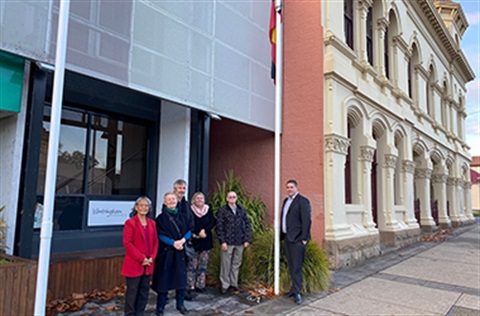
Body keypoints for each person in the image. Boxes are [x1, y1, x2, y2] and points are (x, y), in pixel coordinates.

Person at [152, 192, 191, 315]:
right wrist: (173, 243)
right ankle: (160, 307)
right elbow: (159, 234)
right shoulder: (160, 218)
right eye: (168, 199)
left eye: (173, 199)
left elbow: (189, 230)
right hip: (166, 253)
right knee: (164, 281)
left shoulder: (183, 216)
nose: (171, 201)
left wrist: (183, 240)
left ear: (177, 201)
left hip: (180, 252)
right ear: (164, 202)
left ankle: (180, 305)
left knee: (181, 281)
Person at [121, 196, 158, 316]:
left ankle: (140, 312)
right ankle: (130, 313)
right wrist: (141, 259)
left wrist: (152, 257)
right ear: (136, 208)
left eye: (146, 206)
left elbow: (155, 242)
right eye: (141, 205)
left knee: (144, 291)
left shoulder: (152, 223)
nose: (144, 208)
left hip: (148, 264)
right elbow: (127, 243)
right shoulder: (130, 223)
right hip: (135, 263)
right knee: (132, 291)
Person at [281, 180, 311, 305]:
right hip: (287, 238)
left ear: (296, 188)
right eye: (287, 187)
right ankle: (293, 290)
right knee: (291, 266)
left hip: (297, 240)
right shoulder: (286, 201)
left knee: (297, 267)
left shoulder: (302, 201)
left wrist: (304, 238)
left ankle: (298, 292)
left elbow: (306, 221)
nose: (289, 189)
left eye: (291, 187)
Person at [216, 191, 252, 294]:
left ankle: (234, 284)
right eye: (230, 197)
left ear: (236, 198)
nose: (232, 199)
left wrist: (247, 239)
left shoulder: (241, 210)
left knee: (236, 264)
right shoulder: (223, 210)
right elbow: (219, 227)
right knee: (225, 264)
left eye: (234, 197)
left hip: (239, 241)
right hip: (227, 242)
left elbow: (247, 224)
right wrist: (222, 241)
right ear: (227, 198)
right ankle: (225, 285)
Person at [186, 192, 215, 295]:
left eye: (201, 198)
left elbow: (212, 222)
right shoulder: (190, 210)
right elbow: (189, 223)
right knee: (192, 265)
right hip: (194, 241)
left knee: (203, 265)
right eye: (197, 198)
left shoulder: (208, 209)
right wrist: (198, 232)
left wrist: (204, 231)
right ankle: (190, 286)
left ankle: (200, 285)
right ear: (193, 200)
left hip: (206, 241)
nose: (200, 200)